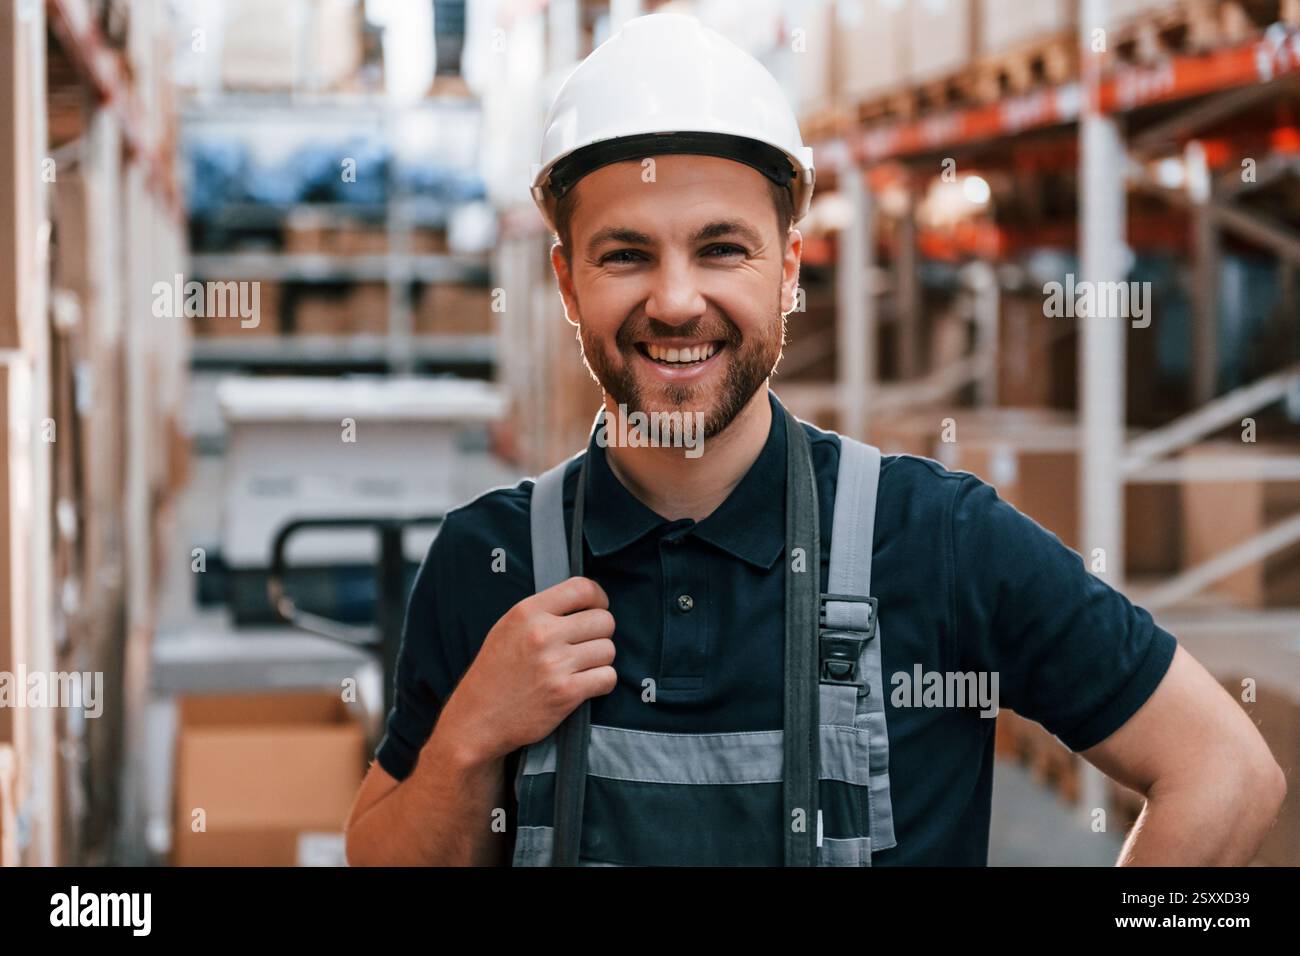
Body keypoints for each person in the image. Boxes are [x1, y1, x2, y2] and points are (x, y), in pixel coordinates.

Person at [344, 12, 1285, 866]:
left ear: (789, 267)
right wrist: (470, 734)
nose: (675, 301)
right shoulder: (489, 561)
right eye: (626, 253)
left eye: (722, 248)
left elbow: (1229, 774)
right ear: (565, 280)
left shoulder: (938, 540)